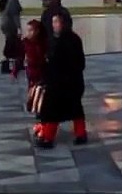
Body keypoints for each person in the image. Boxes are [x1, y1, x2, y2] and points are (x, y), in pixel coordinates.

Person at [34, 13, 87, 148]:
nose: (54, 25)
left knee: (55, 110)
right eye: (53, 22)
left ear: (64, 23)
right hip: (62, 82)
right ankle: (77, 134)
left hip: (66, 82)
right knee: (69, 108)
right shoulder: (55, 39)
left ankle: (49, 137)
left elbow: (79, 63)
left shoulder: (71, 40)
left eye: (57, 22)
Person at [22, 19, 48, 137]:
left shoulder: (42, 43)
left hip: (41, 73)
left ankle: (42, 119)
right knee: (32, 94)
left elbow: (42, 58)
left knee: (40, 96)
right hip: (31, 73)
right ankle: (38, 114)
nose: (28, 33)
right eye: (27, 30)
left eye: (31, 30)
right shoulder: (26, 42)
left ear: (37, 31)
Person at [0, 0, 23, 77]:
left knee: (11, 43)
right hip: (10, 25)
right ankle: (7, 65)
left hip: (5, 24)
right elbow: (15, 16)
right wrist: (19, 28)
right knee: (11, 44)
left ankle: (14, 64)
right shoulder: (13, 1)